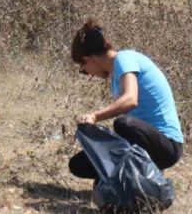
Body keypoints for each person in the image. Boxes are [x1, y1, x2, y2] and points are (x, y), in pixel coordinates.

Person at [69, 19, 184, 180]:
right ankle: (133, 179)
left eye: (84, 69)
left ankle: (142, 174)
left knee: (123, 123)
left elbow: (130, 100)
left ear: (89, 60)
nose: (88, 74)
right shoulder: (116, 75)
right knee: (80, 164)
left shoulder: (124, 59)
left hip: (167, 145)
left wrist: (95, 116)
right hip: (143, 142)